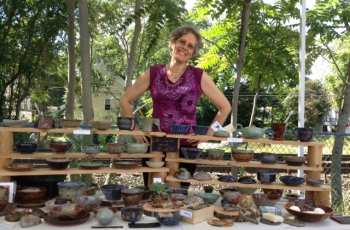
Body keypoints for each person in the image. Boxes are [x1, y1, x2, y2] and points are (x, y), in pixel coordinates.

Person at [119, 25, 231, 187]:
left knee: (178, 197)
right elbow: (124, 100)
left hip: (186, 148)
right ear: (172, 43)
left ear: (193, 52)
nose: (185, 47)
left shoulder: (198, 76)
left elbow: (225, 107)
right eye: (182, 41)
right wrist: (134, 128)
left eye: (190, 46)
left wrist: (208, 133)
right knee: (154, 192)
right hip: (155, 145)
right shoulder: (153, 73)